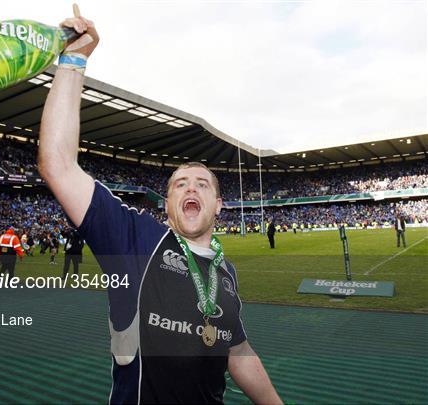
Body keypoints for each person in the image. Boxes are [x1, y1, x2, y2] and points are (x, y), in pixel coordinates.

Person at [38, 6, 281, 404]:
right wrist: (73, 60)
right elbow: (58, 165)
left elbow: (237, 350)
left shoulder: (225, 271)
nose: (191, 187)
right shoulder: (136, 240)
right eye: (180, 183)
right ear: (167, 203)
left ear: (218, 205)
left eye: (203, 183)